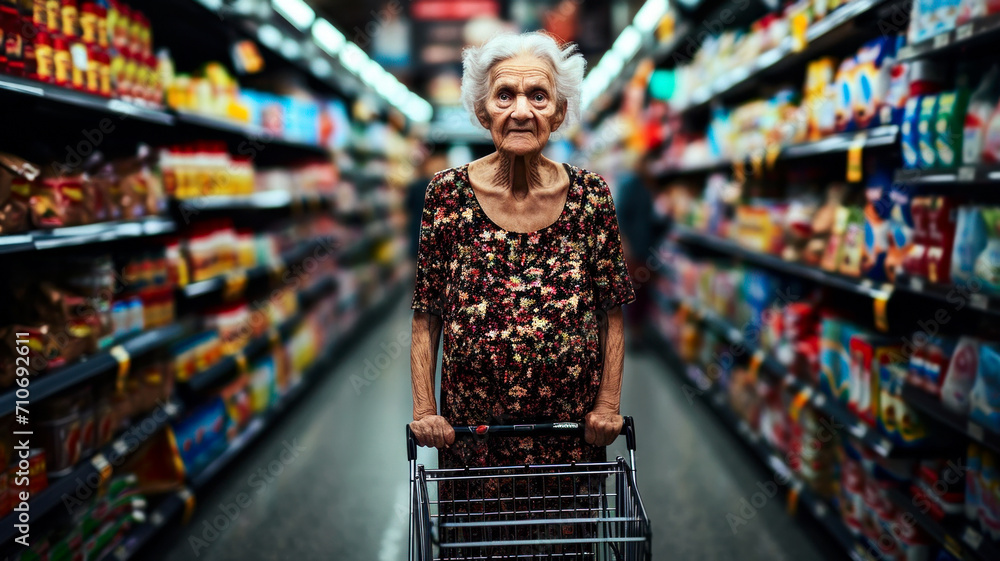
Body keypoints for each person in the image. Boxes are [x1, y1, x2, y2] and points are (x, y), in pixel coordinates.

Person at [407, 31, 636, 555]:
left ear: (558, 112)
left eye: (539, 96)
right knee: (480, 547)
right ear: (482, 110)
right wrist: (425, 410)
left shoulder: (591, 196)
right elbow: (427, 315)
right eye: (504, 94)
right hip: (472, 437)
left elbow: (611, 315)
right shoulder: (445, 194)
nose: (521, 110)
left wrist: (607, 403)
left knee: (564, 547)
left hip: (570, 433)